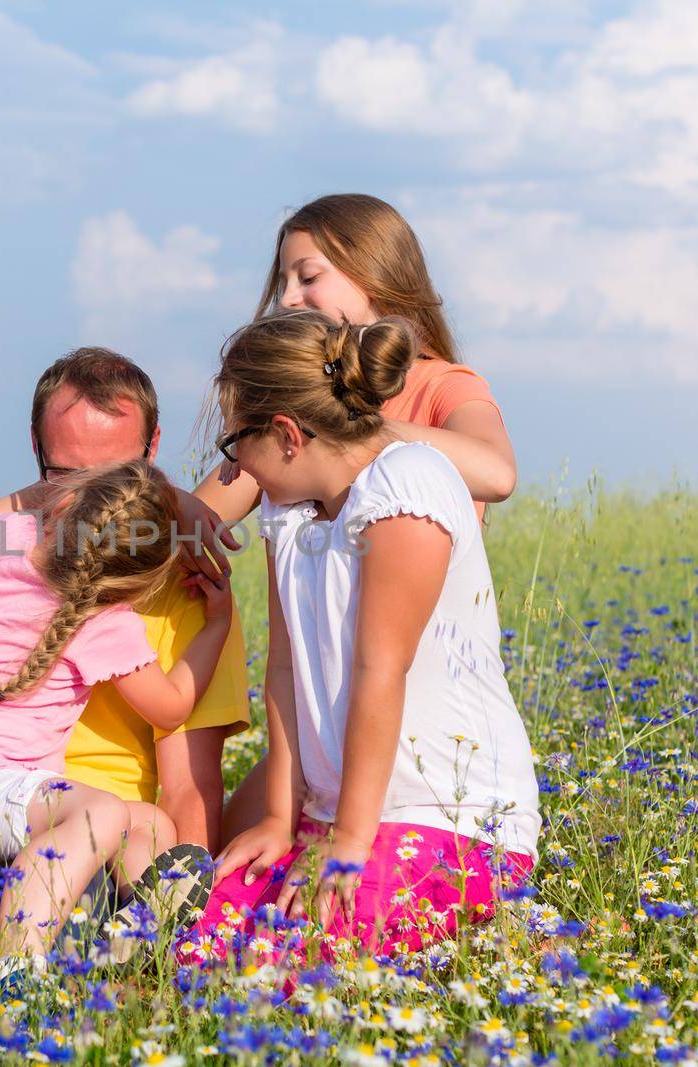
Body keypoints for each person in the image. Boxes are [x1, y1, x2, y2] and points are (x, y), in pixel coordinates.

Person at [194, 312, 540, 955]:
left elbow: (382, 672)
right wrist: (280, 817)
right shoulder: (288, 509)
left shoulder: (407, 485)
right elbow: (286, 668)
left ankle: (520, 930)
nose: (235, 461)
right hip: (332, 818)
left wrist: (350, 850)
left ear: (288, 435)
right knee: (205, 946)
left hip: (449, 817)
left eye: (236, 440)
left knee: (302, 966)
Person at [193, 193, 519, 842]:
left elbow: (497, 472)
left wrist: (356, 427)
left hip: (416, 713)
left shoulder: (443, 384)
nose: (287, 297)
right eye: (282, 281)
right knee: (229, 849)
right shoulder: (290, 436)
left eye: (308, 277)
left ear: (376, 274)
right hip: (328, 710)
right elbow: (201, 517)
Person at [0, 348, 250, 910]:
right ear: (35, 446)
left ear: (153, 450)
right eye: (66, 475)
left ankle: (135, 933)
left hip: (90, 836)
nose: (81, 503)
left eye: (117, 475)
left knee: (148, 841)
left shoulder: (182, 576)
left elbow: (190, 783)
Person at [0, 461, 230, 955]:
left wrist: (54, 487)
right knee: (101, 810)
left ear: (60, 504)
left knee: (152, 826)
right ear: (139, 583)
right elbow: (171, 708)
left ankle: (130, 932)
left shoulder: (2, 540)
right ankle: (18, 968)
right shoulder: (107, 622)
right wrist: (216, 626)